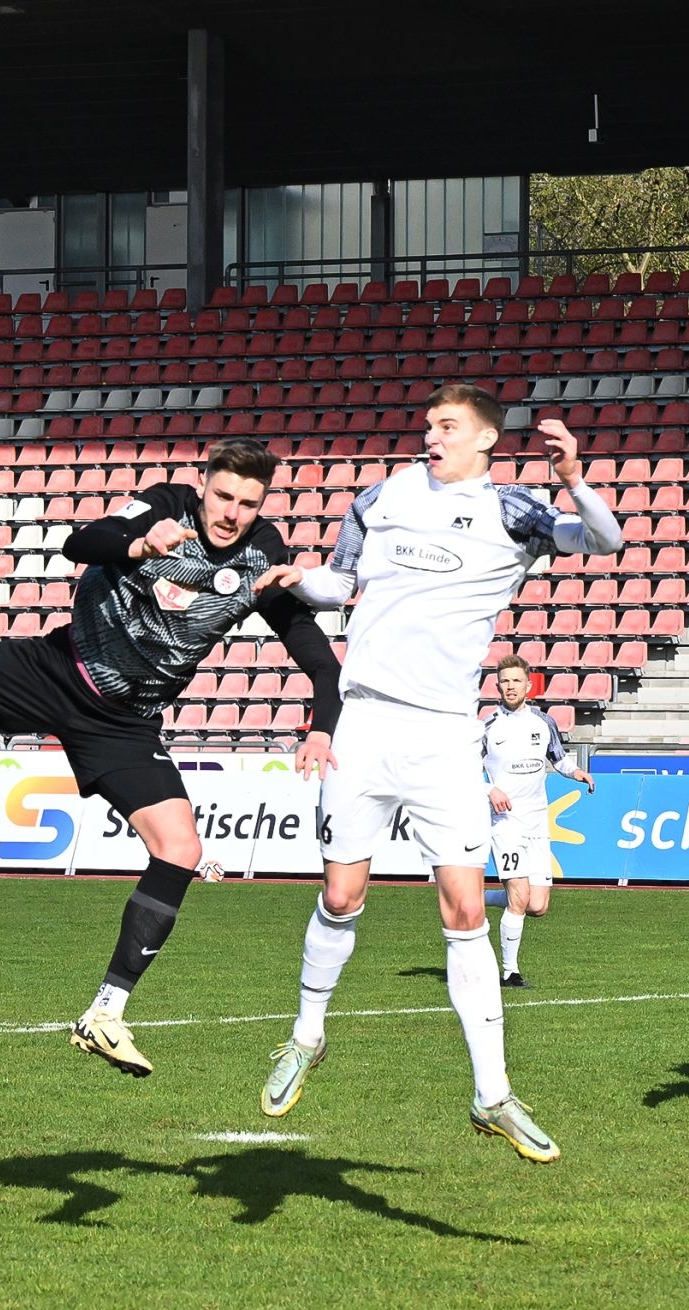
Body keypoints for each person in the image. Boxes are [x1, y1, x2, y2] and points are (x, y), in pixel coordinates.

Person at [0, 438, 342, 1077]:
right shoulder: (165, 507)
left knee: (180, 848)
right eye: (223, 496)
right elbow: (81, 542)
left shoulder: (261, 561)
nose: (232, 513)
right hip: (55, 669)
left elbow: (321, 662)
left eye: (248, 503)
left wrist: (321, 730)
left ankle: (105, 1014)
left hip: (123, 723)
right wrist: (140, 545)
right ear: (204, 486)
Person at [255, 385, 622, 1164]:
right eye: (428, 425)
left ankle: (493, 1092)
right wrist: (297, 579)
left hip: (446, 735)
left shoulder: (513, 512)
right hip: (364, 722)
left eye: (448, 426)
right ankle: (307, 1035)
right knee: (341, 895)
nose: (432, 435)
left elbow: (605, 539)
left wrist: (574, 478)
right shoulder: (381, 496)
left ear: (486, 438)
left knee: (463, 908)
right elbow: (340, 584)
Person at [481, 653, 594, 989]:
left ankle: (482, 896)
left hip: (536, 824)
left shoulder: (543, 723)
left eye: (516, 681)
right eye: (505, 681)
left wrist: (576, 772)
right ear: (497, 687)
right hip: (505, 822)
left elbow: (557, 759)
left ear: (529, 686)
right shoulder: (487, 726)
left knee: (537, 905)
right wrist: (489, 789)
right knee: (519, 897)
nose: (510, 686)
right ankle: (509, 972)